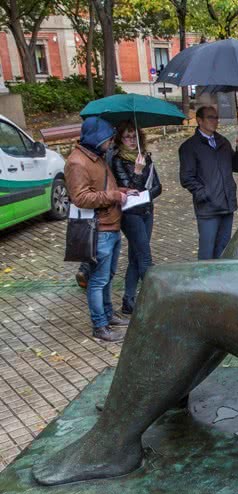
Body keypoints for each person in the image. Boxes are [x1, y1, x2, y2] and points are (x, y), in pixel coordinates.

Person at [65, 117, 132, 342]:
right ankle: (100, 325)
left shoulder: (96, 157)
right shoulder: (77, 162)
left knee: (108, 276)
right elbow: (81, 197)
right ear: (96, 138)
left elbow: (102, 187)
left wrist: (122, 191)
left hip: (111, 225)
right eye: (108, 138)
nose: (111, 142)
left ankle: (108, 314)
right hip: (99, 228)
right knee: (98, 280)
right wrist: (114, 196)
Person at [179, 106, 238, 260]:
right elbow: (186, 178)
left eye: (216, 117)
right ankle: (204, 276)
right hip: (208, 208)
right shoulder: (190, 147)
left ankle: (219, 276)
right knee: (207, 252)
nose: (215, 121)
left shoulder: (222, 142)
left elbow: (236, 167)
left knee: (223, 250)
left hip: (226, 205)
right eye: (211, 117)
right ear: (199, 120)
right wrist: (204, 194)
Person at [110, 121, 162, 315]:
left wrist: (145, 195)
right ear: (120, 139)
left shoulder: (145, 157)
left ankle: (128, 300)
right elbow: (129, 189)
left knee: (135, 256)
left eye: (134, 137)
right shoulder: (118, 160)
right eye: (127, 137)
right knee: (145, 257)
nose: (131, 141)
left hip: (147, 210)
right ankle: (153, 301)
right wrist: (138, 171)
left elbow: (157, 187)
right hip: (130, 214)